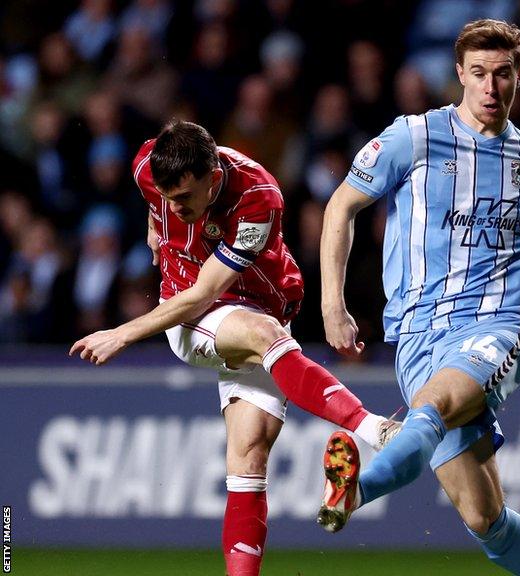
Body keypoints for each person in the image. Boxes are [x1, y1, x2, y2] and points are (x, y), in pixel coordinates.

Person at [318, 19, 520, 576]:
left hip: (496, 322)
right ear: (460, 74)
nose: (491, 88)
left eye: (503, 74)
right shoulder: (412, 137)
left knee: (432, 408)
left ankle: (354, 491)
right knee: (483, 515)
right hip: (417, 334)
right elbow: (341, 206)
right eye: (480, 74)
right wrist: (331, 305)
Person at [69, 120, 399, 576]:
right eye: (167, 198)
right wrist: (154, 228)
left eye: (185, 197)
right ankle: (376, 429)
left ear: (213, 175)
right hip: (189, 316)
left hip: (240, 302)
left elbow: (208, 290)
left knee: (249, 457)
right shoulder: (148, 164)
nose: (175, 206)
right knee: (265, 337)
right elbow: (194, 293)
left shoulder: (257, 197)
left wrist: (122, 332)